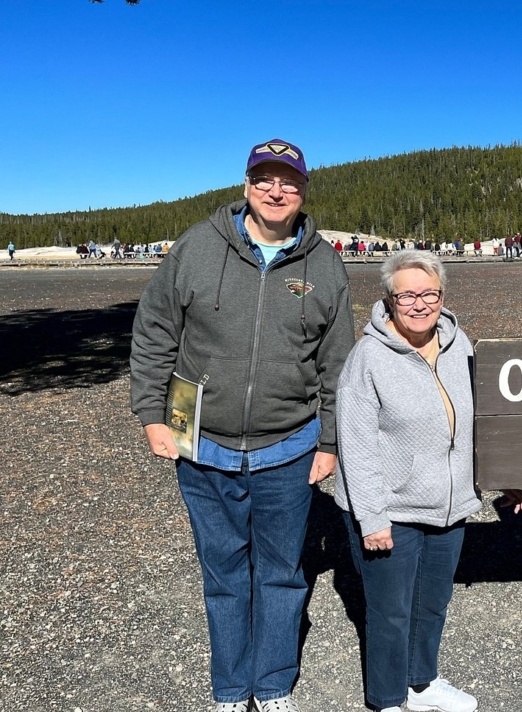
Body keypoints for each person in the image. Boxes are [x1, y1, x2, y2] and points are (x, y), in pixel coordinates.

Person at [130, 139, 356, 712]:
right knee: (224, 571)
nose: (276, 190)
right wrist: (152, 416)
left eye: (288, 181)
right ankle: (231, 687)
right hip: (200, 437)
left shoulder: (324, 263)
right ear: (247, 184)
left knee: (281, 573)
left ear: (304, 190)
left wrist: (329, 440)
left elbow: (337, 362)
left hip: (290, 443)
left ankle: (274, 680)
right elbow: (155, 332)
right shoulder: (198, 247)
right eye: (265, 179)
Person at [335, 251, 522, 712]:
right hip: (391, 508)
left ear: (443, 295)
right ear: (389, 299)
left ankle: (422, 683)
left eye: (429, 293)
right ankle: (386, 698)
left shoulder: (460, 346)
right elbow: (355, 445)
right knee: (389, 612)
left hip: (450, 502)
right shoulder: (368, 358)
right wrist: (372, 518)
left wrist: (503, 477)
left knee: (433, 602)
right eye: (407, 295)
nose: (419, 304)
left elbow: (482, 419)